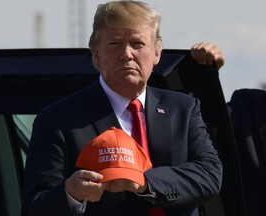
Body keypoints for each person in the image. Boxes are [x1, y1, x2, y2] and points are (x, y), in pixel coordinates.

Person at [21, 1, 224, 216]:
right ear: (96, 54)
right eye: (115, 43)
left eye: (137, 43)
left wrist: (144, 182)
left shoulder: (183, 107)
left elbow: (210, 175)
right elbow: (35, 208)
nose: (126, 54)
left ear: (156, 53)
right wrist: (72, 193)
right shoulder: (59, 119)